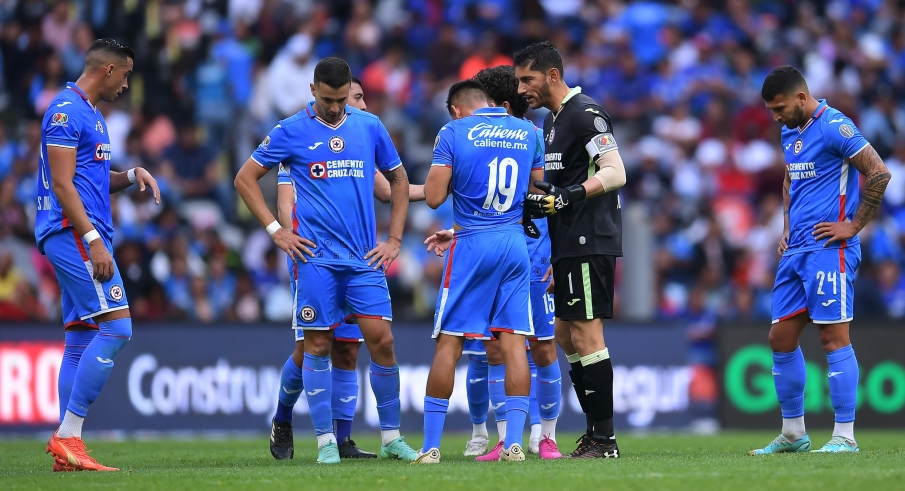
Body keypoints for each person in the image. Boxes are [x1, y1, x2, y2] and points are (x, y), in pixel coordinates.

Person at [235, 56, 419, 464]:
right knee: (316, 344)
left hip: (363, 258)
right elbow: (245, 178)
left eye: (342, 100)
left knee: (381, 342)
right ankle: (325, 443)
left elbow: (399, 180)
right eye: (329, 99)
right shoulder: (290, 130)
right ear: (313, 89)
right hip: (314, 259)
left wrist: (394, 238)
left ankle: (391, 437)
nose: (337, 107)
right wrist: (276, 231)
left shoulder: (369, 126)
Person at [750, 65, 891, 455]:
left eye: (779, 108)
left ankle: (844, 436)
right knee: (779, 337)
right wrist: (785, 226)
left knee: (832, 337)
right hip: (796, 249)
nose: (775, 116)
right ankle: (794, 434)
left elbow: (878, 173)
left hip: (830, 249)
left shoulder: (835, 126)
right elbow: (789, 179)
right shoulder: (788, 131)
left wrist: (854, 225)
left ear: (800, 97)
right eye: (770, 110)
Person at [35, 38, 161, 472]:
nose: (126, 85)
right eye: (125, 75)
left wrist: (129, 175)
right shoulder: (67, 110)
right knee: (119, 327)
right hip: (72, 231)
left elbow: (88, 179)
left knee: (79, 340)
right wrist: (91, 239)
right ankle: (68, 435)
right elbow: (64, 184)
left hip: (80, 230)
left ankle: (67, 450)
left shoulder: (92, 115)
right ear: (108, 70)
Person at [425, 66, 562, 460]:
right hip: (516, 245)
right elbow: (536, 194)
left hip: (471, 244)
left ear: (457, 109)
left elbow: (434, 197)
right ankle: (516, 443)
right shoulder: (529, 133)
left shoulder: (453, 132)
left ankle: (432, 448)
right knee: (516, 342)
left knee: (450, 342)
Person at [516, 41, 627, 459]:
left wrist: (570, 196)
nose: (522, 88)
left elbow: (617, 172)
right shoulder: (551, 121)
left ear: (552, 76)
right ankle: (594, 432)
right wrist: (545, 201)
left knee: (585, 333)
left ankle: (605, 439)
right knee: (564, 333)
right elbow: (560, 190)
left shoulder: (585, 114)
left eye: (527, 79)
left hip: (588, 238)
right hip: (567, 241)